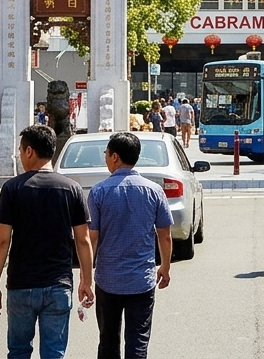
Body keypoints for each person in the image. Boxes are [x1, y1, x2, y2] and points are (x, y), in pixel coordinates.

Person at [0, 125, 95, 359]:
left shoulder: (13, 188)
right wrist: (87, 280)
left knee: (18, 351)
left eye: (20, 150)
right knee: (54, 353)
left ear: (29, 152)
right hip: (59, 285)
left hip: (21, 285)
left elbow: (2, 240)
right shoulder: (72, 189)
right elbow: (83, 240)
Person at [87, 132, 172, 359]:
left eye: (106, 153)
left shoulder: (99, 192)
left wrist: (86, 278)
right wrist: (165, 266)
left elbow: (92, 238)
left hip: (107, 280)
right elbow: (164, 235)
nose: (105, 158)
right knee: (137, 342)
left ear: (114, 157)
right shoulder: (154, 190)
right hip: (141, 281)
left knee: (107, 341)